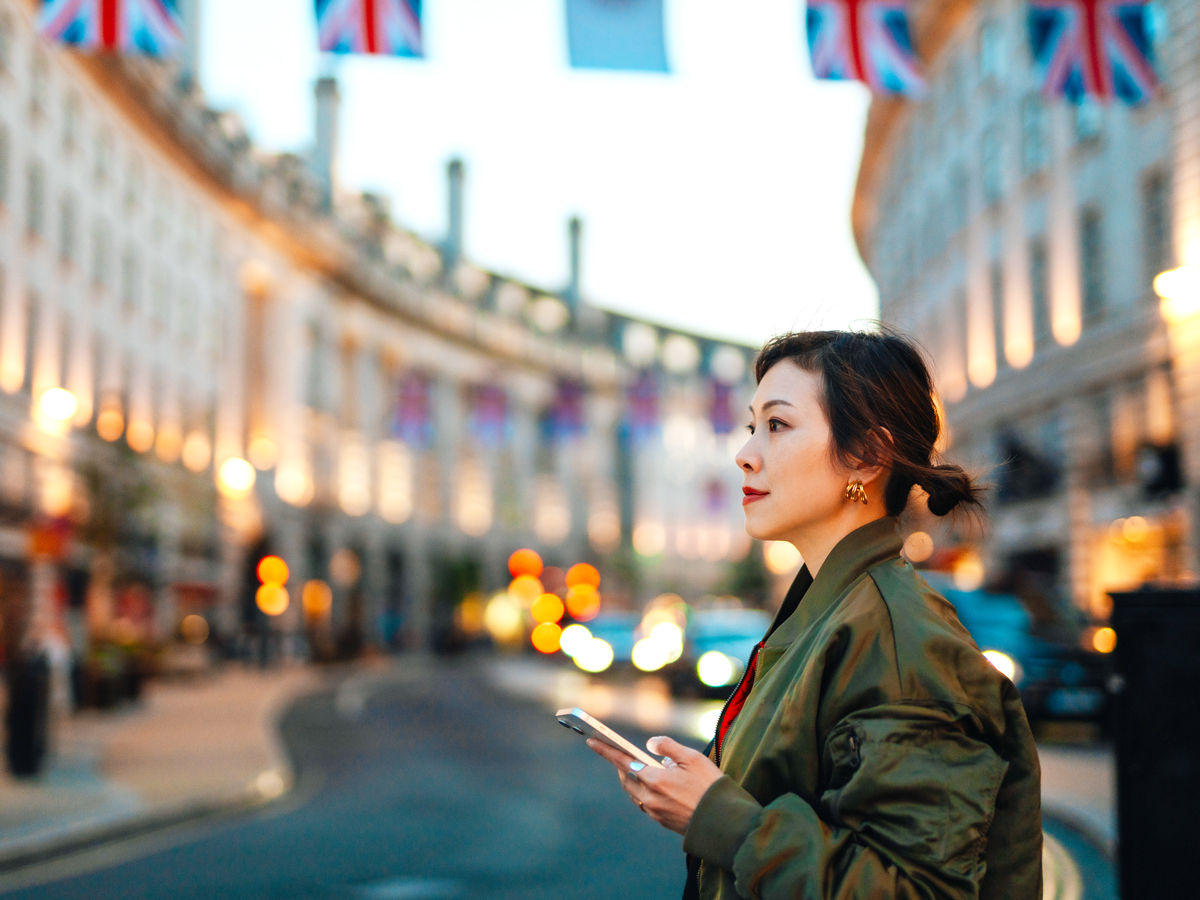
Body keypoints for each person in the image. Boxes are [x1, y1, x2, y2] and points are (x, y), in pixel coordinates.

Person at [588, 330, 1042, 899]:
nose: (745, 454)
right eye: (752, 426)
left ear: (867, 456)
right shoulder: (829, 612)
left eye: (777, 425)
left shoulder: (895, 639)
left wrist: (721, 819)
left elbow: (917, 890)